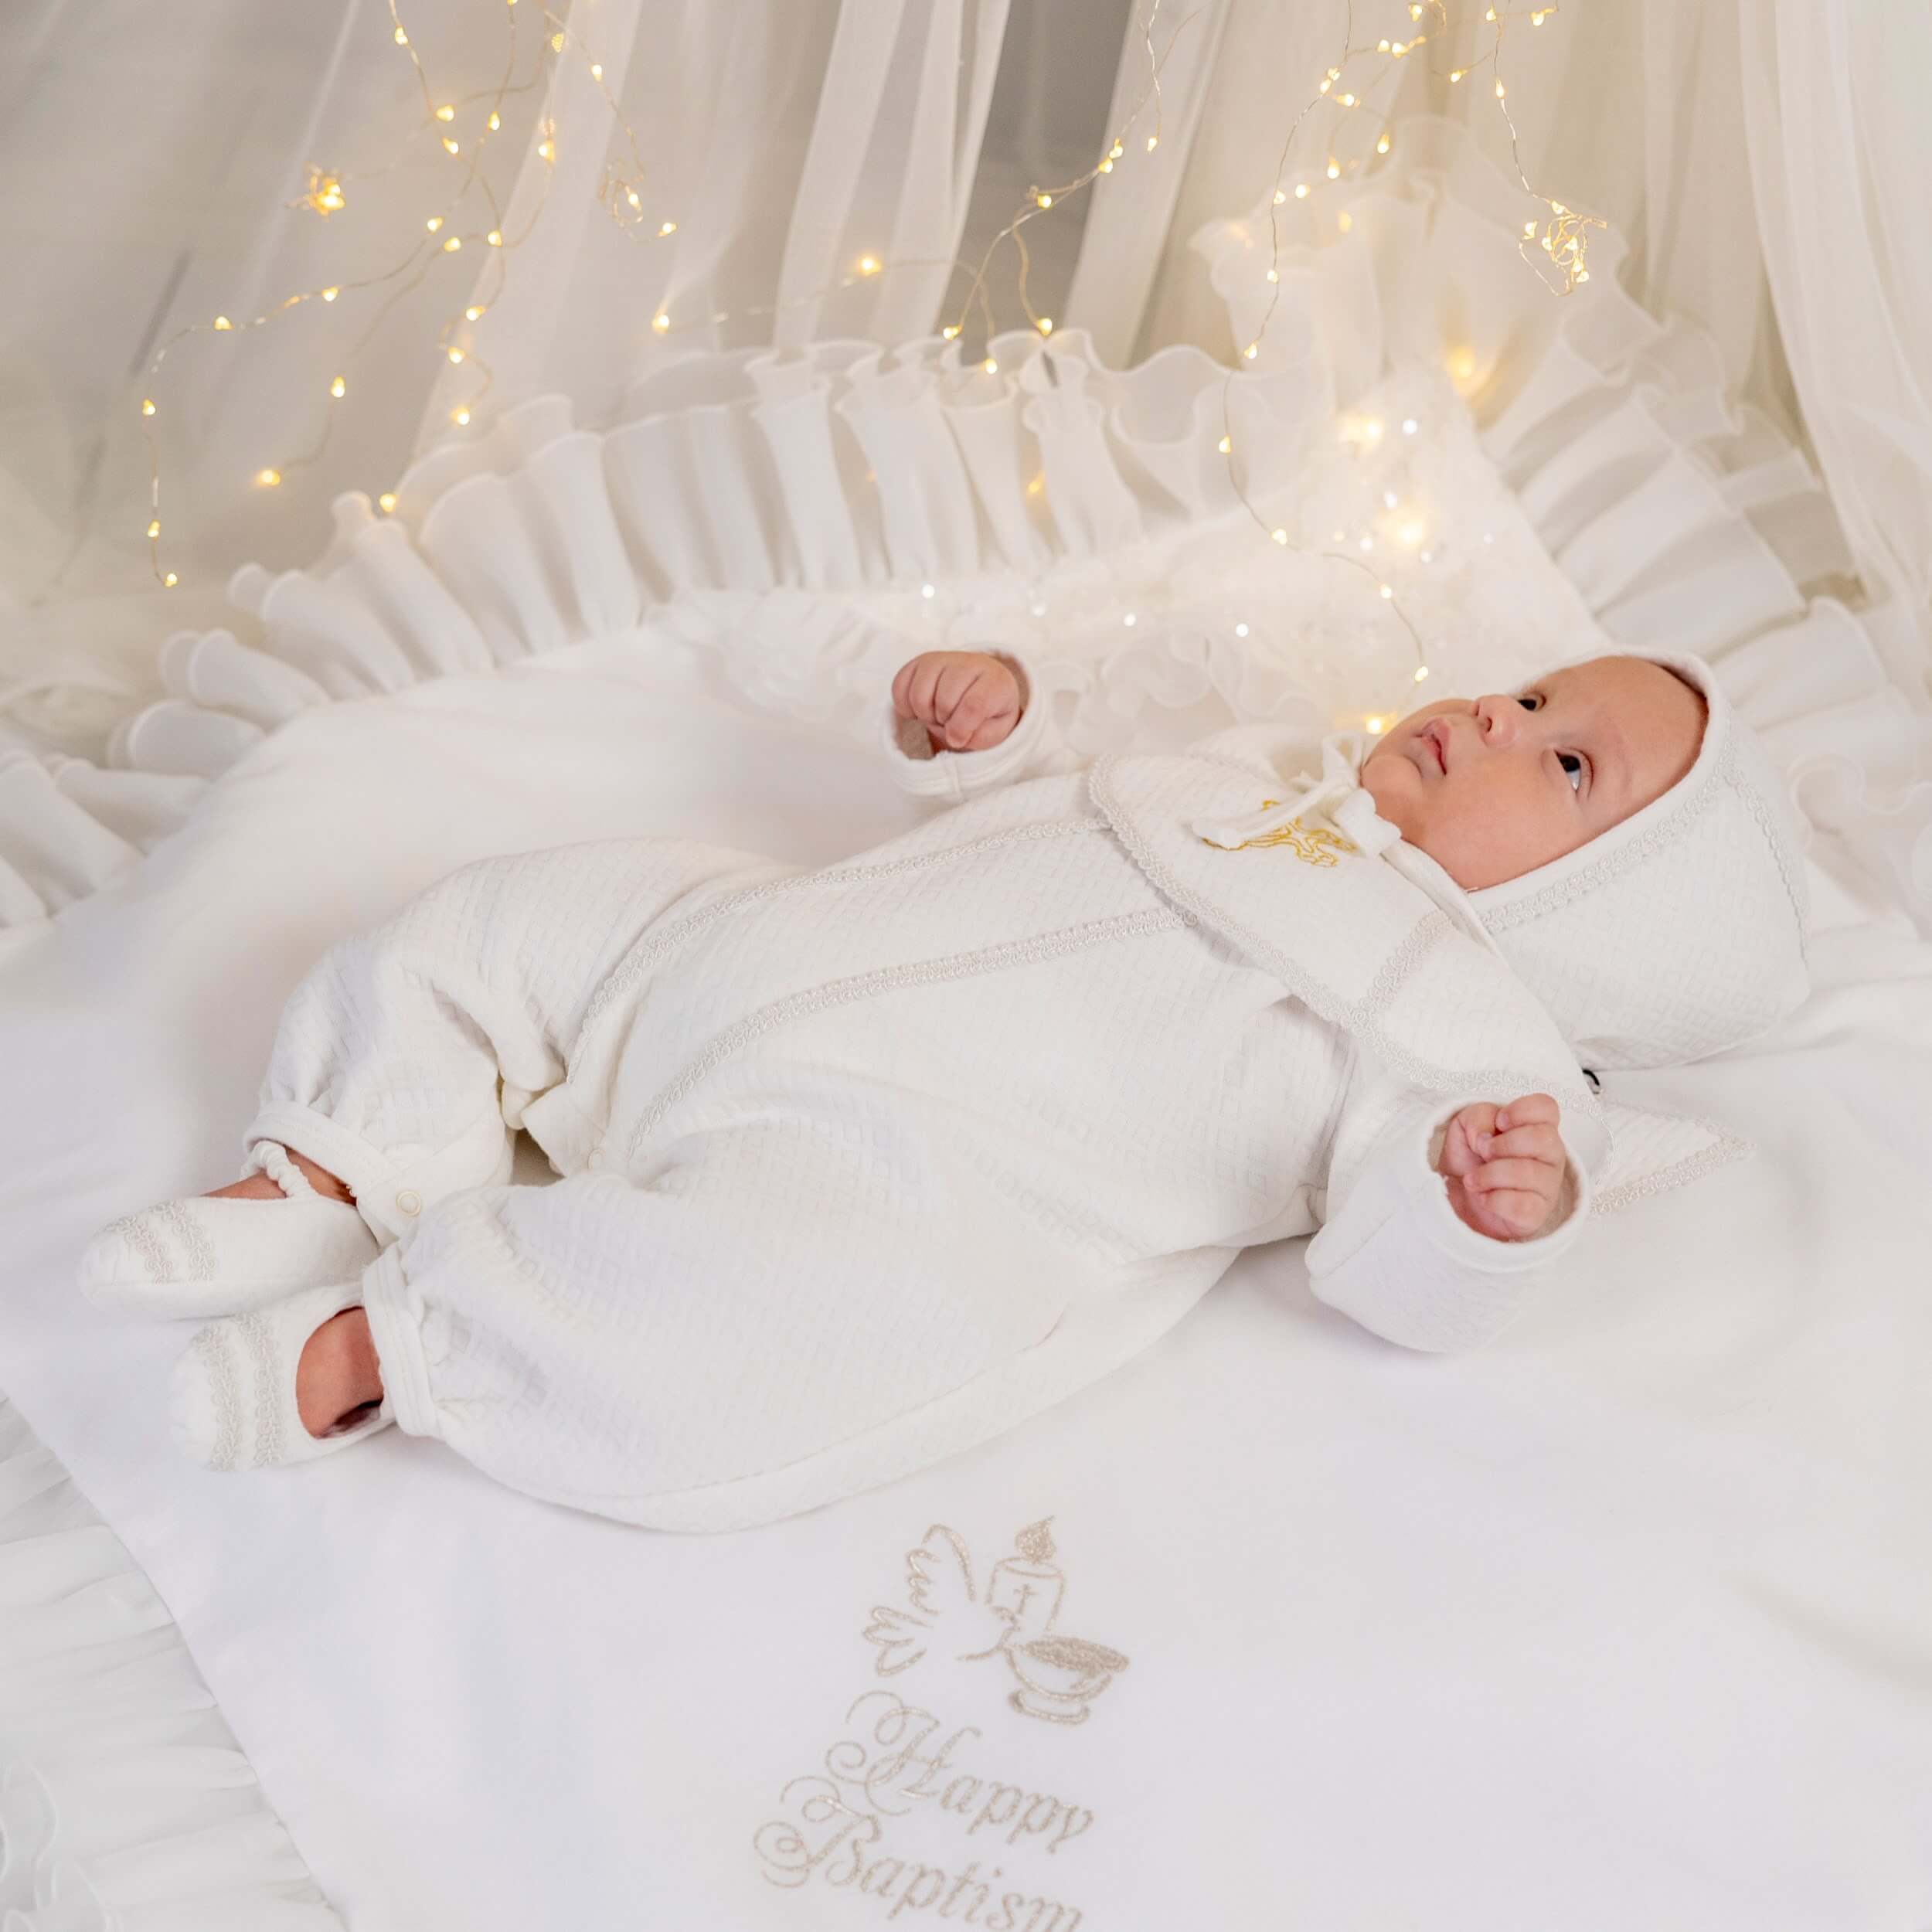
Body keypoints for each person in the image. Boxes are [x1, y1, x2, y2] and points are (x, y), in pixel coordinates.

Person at [77, 640, 1810, 1532]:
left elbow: (1397, 1269)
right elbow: (1036, 808)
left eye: (1560, 761)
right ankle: (323, 1164)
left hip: (898, 1153)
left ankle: (403, 1345)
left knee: (792, 1322)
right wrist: (979, 733)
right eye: (1521, 689)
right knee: (504, 916)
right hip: (734, 954)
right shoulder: (1251, 770)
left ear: (1598, 916)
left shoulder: (1479, 1049)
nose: (1490, 719)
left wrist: (1484, 1214)